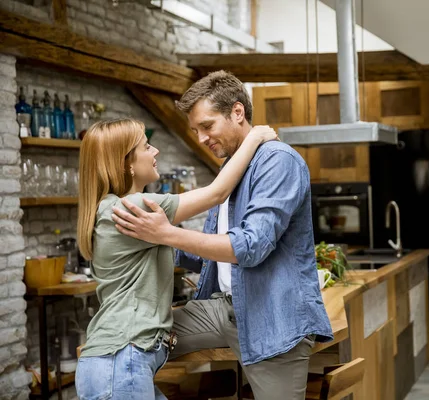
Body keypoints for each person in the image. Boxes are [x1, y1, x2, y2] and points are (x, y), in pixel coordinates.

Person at [111, 71, 333, 400]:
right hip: (220, 309)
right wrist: (146, 238)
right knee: (125, 340)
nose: (201, 138)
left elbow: (250, 247)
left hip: (273, 316)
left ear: (237, 113)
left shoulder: (278, 162)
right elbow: (208, 253)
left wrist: (168, 234)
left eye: (207, 126)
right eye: (195, 130)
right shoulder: (231, 166)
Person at [75, 117, 276, 400]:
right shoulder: (131, 208)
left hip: (122, 362)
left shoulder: (114, 209)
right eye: (147, 146)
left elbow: (179, 248)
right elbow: (217, 193)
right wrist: (254, 138)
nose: (155, 151)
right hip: (121, 362)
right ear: (126, 164)